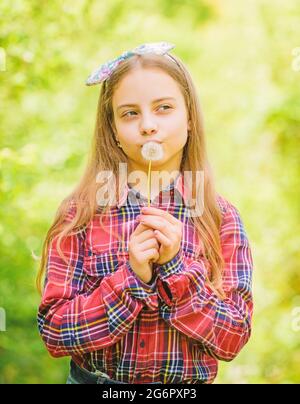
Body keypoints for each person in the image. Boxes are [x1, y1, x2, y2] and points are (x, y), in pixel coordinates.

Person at [36, 42, 254, 384]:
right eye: (130, 113)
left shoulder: (220, 217)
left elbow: (233, 338)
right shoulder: (81, 212)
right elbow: (55, 330)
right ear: (114, 131)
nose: (148, 125)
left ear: (190, 119)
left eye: (164, 108)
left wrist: (176, 269)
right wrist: (131, 279)